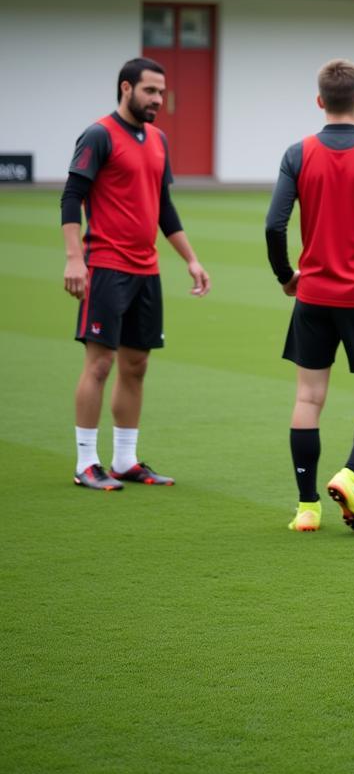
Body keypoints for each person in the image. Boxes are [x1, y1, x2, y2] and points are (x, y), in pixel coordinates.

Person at [265, 59, 354, 534]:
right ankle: (351, 474)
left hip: (313, 294)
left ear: (320, 101)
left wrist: (287, 275)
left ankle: (307, 508)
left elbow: (274, 225)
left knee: (308, 398)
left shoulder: (297, 153)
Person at [61, 57, 211, 491]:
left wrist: (191, 258)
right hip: (106, 265)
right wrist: (74, 258)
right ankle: (86, 462)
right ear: (126, 89)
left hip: (146, 269)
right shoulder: (98, 135)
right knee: (100, 363)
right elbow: (72, 196)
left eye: (162, 93)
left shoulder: (159, 140)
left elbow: (164, 207)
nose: (158, 100)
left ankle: (124, 459)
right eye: (150, 91)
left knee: (137, 363)